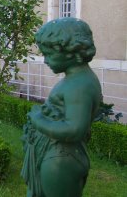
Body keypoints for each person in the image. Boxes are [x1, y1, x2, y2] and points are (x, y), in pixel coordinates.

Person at [21, 18, 102, 197]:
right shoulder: (76, 79)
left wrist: (38, 119)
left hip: (60, 161)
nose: (46, 60)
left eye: (49, 54)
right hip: (55, 155)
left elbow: (74, 129)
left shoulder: (79, 85)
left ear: (70, 52)